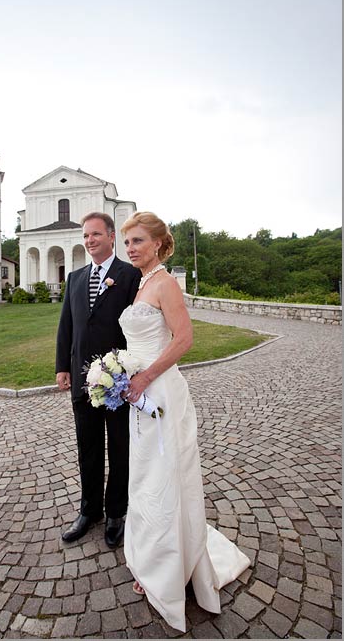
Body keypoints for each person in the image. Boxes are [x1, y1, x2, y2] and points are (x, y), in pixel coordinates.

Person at [119, 211, 250, 632]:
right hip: (139, 394)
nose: (131, 248)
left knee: (164, 475)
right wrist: (123, 375)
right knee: (143, 476)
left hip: (160, 392)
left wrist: (144, 376)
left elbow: (184, 339)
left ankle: (170, 570)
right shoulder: (142, 284)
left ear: (157, 243)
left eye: (138, 240)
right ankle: (149, 558)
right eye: (128, 242)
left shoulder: (166, 283)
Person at [56, 212, 141, 547]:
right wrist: (62, 366)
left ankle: (116, 512)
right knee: (88, 448)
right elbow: (67, 327)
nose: (89, 240)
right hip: (81, 380)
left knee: (120, 448)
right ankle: (89, 510)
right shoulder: (75, 278)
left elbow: (134, 329)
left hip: (118, 383)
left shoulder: (129, 275)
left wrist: (129, 372)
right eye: (85, 235)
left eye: (95, 234)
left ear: (110, 237)